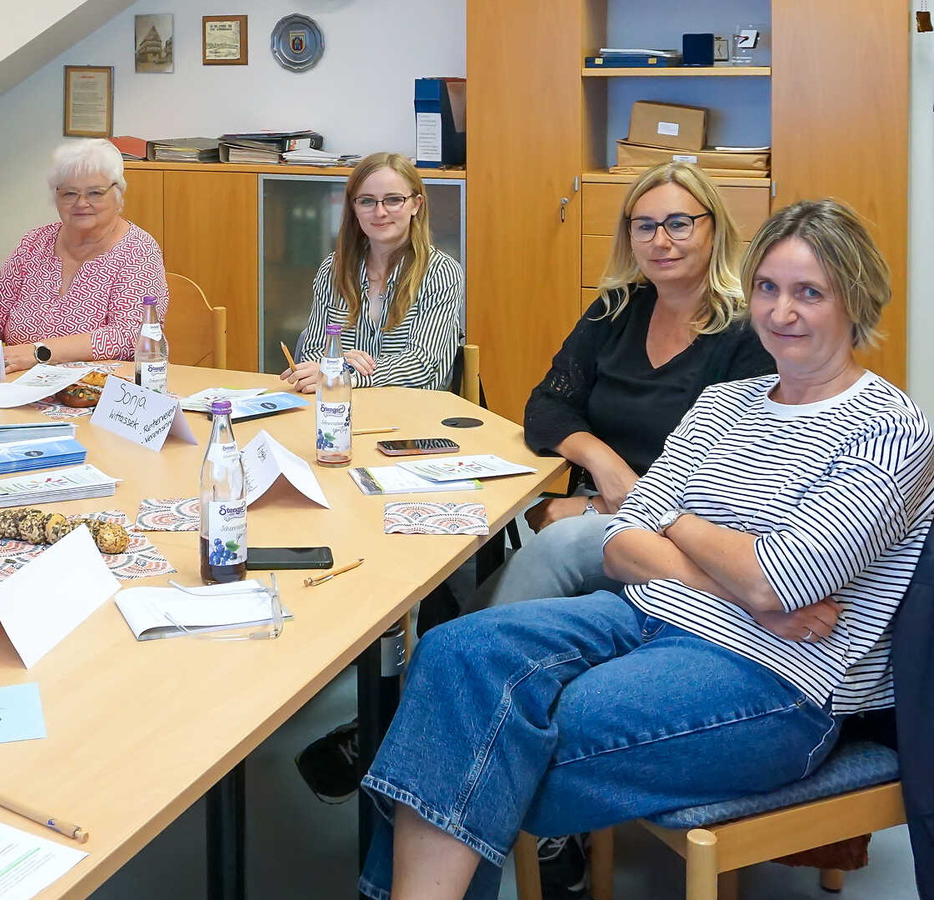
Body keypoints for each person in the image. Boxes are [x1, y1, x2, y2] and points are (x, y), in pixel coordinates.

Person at [358, 198, 933, 900]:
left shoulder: (890, 427)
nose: (782, 312)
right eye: (768, 288)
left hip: (779, 683)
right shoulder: (726, 403)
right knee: (455, 655)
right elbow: (625, 538)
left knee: (487, 729)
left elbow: (777, 579)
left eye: (810, 293)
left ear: (856, 300)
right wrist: (722, 566)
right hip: (647, 618)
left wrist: (679, 522)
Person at [475, 161, 774, 611]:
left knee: (542, 559)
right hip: (605, 506)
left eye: (679, 224)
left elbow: (733, 477)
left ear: (715, 229)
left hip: (687, 531)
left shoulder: (748, 334)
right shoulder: (615, 310)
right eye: (645, 227)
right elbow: (546, 406)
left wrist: (600, 507)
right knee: (465, 568)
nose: (661, 241)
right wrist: (603, 463)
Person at [0, 139, 168, 372]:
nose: (81, 203)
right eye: (69, 193)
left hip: (104, 389)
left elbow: (129, 336)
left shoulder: (138, 250)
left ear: (118, 197)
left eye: (95, 193)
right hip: (20, 382)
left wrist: (39, 352)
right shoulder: (34, 243)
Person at [280, 152, 464, 393]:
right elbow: (313, 350)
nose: (380, 212)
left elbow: (422, 365)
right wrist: (338, 368)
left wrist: (343, 371)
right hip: (338, 408)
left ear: (416, 205)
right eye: (367, 201)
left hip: (414, 414)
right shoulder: (334, 268)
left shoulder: (441, 271)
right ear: (354, 207)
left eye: (393, 200)